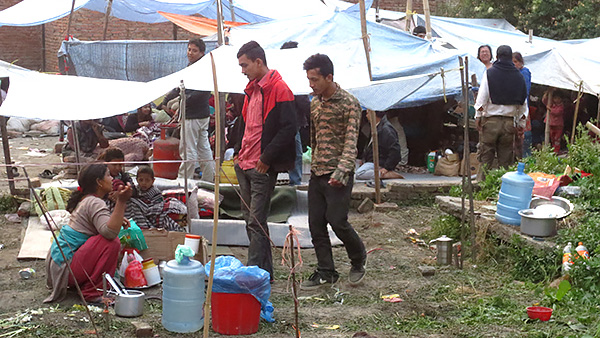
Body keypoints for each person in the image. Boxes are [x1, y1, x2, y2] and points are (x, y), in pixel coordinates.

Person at [301, 53, 367, 289]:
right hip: (318, 171)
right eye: (309, 79)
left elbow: (351, 142)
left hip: (339, 173)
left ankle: (358, 258)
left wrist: (342, 172)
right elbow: (314, 138)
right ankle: (326, 270)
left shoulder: (349, 103)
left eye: (315, 79)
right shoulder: (315, 102)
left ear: (329, 77)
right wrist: (312, 164)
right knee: (315, 224)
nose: (311, 84)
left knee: (338, 221)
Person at [233, 41, 297, 282]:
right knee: (252, 221)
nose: (242, 70)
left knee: (255, 221)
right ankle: (264, 273)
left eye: (245, 65)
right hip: (246, 162)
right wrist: (238, 150)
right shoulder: (251, 89)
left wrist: (267, 158)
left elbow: (289, 128)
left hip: (261, 165)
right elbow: (245, 124)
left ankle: (253, 273)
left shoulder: (280, 88)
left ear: (259, 62)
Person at [45, 163, 132, 302]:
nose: (112, 179)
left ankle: (88, 284)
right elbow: (109, 232)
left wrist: (116, 217)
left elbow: (101, 223)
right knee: (111, 242)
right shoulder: (94, 202)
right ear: (99, 182)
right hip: (67, 269)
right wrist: (121, 202)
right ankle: (92, 292)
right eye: (108, 175)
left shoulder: (86, 200)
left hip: (60, 267)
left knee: (106, 240)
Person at [160, 38, 215, 182]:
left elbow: (203, 93)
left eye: (194, 50)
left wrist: (183, 101)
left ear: (202, 53)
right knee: (203, 148)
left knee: (188, 150)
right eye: (189, 49)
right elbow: (179, 86)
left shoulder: (203, 70)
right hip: (199, 115)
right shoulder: (191, 67)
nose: (190, 53)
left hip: (194, 116)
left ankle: (184, 181)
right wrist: (165, 101)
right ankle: (209, 180)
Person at [475, 45, 528, 171]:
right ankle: (502, 188)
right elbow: (523, 103)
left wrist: (478, 116)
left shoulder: (490, 73)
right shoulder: (519, 77)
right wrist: (521, 124)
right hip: (509, 125)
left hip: (491, 123)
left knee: (486, 159)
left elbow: (482, 98)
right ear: (510, 57)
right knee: (506, 162)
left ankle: (483, 187)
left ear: (497, 57)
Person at [281, 41, 311, 186]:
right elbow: (302, 99)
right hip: (290, 120)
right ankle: (295, 183)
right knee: (296, 153)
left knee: (293, 152)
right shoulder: (291, 74)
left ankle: (294, 181)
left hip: (289, 120)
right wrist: (313, 114)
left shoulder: (281, 72)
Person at [356, 111, 404, 180]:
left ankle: (385, 174)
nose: (366, 116)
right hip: (371, 161)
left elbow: (395, 151)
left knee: (359, 174)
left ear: (374, 114)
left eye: (368, 113)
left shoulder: (386, 129)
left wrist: (387, 168)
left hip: (379, 163)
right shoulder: (376, 127)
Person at [512, 52, 532, 157]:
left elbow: (525, 91)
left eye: (515, 61)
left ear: (520, 62)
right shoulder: (511, 74)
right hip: (514, 110)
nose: (513, 64)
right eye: (512, 62)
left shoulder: (524, 72)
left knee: (524, 136)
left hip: (523, 108)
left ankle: (526, 160)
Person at [542, 88, 565, 153]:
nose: (557, 100)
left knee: (557, 139)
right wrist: (547, 93)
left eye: (558, 98)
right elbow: (544, 100)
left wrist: (550, 109)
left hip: (558, 125)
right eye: (555, 98)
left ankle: (556, 151)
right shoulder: (551, 103)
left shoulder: (561, 106)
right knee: (551, 138)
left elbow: (557, 112)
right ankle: (552, 149)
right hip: (550, 123)